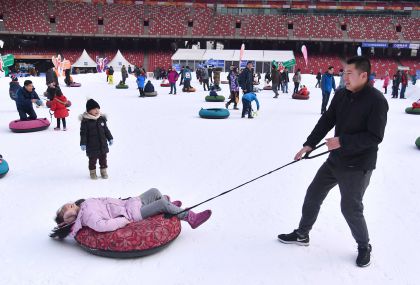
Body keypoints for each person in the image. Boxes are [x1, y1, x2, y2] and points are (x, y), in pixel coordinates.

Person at [278, 56, 388, 268]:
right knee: (313, 194)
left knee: (350, 207)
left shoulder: (377, 101)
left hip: (358, 165)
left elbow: (375, 137)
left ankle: (364, 245)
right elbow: (327, 120)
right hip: (336, 160)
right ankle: (302, 234)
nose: (344, 77)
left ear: (363, 75)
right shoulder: (341, 95)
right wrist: (309, 144)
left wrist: (342, 141)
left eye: (349, 74)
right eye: (343, 73)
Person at [51, 188, 213, 239]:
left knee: (155, 191)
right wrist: (122, 221)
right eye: (67, 209)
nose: (69, 206)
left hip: (127, 204)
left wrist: (126, 200)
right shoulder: (86, 217)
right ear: (69, 218)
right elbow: (102, 226)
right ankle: (190, 218)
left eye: (68, 204)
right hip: (131, 215)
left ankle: (170, 207)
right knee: (162, 203)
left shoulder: (85, 203)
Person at [80, 99, 113, 179]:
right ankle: (92, 173)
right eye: (94, 109)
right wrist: (83, 143)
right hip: (92, 146)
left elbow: (106, 130)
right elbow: (83, 133)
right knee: (92, 160)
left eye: (98, 108)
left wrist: (110, 138)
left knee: (103, 160)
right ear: (88, 111)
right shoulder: (86, 121)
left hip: (102, 145)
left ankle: (103, 171)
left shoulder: (101, 119)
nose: (97, 110)